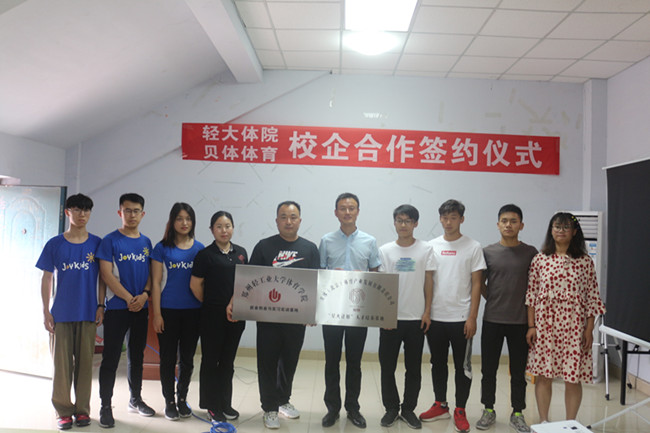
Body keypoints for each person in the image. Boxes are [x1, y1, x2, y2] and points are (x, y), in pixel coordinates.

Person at [526, 212, 605, 423]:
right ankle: (544, 421)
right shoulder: (540, 259)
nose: (561, 231)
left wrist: (589, 329)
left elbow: (592, 297)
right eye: (557, 227)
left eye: (566, 227)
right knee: (544, 375)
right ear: (551, 230)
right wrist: (531, 326)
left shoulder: (585, 262)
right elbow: (531, 295)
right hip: (545, 326)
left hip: (574, 327)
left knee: (573, 377)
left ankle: (570, 422)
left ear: (574, 232)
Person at [36, 194, 106, 430]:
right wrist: (45, 311)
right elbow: (46, 278)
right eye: (77, 209)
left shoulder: (97, 243)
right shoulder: (55, 244)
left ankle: (82, 410)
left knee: (86, 366)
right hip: (61, 314)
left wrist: (101, 305)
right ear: (68, 212)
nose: (82, 214)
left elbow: (103, 278)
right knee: (62, 367)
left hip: (88, 313)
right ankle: (63, 411)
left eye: (86, 210)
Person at [248, 201, 320, 429]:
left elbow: (316, 283)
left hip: (296, 319)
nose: (288, 221)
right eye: (283, 217)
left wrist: (312, 312)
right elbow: (249, 280)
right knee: (267, 363)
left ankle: (282, 400)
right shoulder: (263, 247)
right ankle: (269, 408)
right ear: (276, 220)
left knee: (289, 362)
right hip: (268, 319)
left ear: (300, 220)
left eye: (293, 217)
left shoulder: (310, 248)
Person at [421, 199, 486, 433]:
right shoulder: (431, 246)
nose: (448, 222)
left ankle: (460, 409)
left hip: (461, 318)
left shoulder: (473, 246)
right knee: (437, 363)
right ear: (440, 219)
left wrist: (472, 317)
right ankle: (440, 404)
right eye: (445, 218)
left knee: (463, 366)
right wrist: (426, 311)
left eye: (453, 218)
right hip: (436, 317)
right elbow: (428, 280)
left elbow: (477, 283)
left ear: (462, 219)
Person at [319, 193, 381, 429]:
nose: (347, 212)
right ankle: (332, 408)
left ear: (358, 212)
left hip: (358, 311)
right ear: (335, 212)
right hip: (332, 311)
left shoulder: (369, 241)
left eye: (351, 208)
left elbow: (375, 275)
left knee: (354, 362)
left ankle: (353, 408)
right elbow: (320, 275)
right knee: (331, 361)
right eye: (342, 208)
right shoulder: (326, 240)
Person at [476, 204, 537, 432]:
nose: (508, 225)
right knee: (488, 369)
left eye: (513, 221)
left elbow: (536, 285)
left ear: (521, 225)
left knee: (518, 371)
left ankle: (518, 412)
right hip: (492, 319)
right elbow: (479, 283)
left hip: (520, 322)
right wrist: (492, 297)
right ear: (498, 224)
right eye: (504, 221)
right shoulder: (488, 252)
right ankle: (488, 409)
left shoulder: (531, 253)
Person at [96, 193, 155, 428]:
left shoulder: (146, 242)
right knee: (110, 358)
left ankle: (135, 399)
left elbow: (152, 273)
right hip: (118, 308)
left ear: (143, 214)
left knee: (137, 356)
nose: (132, 215)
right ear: (120, 213)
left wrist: (145, 295)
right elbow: (106, 274)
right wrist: (130, 298)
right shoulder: (109, 241)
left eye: (136, 211)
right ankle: (105, 406)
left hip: (141, 307)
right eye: (127, 210)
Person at [378, 204, 435, 430]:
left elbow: (429, 281)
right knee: (387, 367)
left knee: (413, 368)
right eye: (399, 220)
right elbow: (381, 284)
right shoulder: (385, 250)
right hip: (391, 319)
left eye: (408, 221)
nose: (403, 225)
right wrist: (384, 316)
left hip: (416, 318)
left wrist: (427, 311)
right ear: (394, 223)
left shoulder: (425, 249)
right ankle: (391, 408)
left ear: (415, 224)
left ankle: (409, 409)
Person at [190, 211, 248, 422]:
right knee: (210, 360)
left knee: (228, 361)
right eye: (219, 226)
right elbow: (195, 285)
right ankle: (211, 405)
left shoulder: (241, 253)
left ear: (233, 228)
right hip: (211, 317)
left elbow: (245, 283)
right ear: (212, 230)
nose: (224, 230)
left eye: (228, 226)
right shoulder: (205, 255)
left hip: (236, 315)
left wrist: (234, 305)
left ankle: (225, 403)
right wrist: (212, 303)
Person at [151, 203, 204, 421]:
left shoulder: (199, 248)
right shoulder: (161, 248)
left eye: (188, 219)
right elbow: (155, 283)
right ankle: (169, 402)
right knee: (167, 359)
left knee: (187, 359)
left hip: (193, 312)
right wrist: (157, 314)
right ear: (172, 221)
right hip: (168, 311)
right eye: (180, 218)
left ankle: (182, 399)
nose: (184, 223)